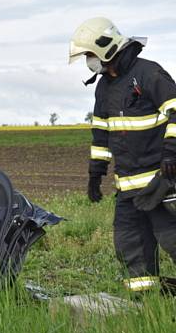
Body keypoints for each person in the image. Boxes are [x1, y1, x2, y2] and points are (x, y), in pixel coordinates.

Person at [69, 17, 176, 293]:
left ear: (105, 48)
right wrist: (96, 174)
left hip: (161, 182)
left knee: (173, 239)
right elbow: (101, 133)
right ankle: (147, 303)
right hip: (127, 190)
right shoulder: (104, 86)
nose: (89, 61)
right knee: (131, 247)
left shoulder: (150, 74)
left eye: (90, 54)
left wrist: (171, 153)